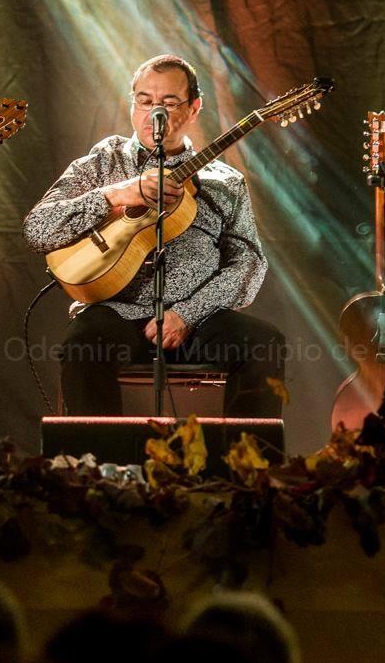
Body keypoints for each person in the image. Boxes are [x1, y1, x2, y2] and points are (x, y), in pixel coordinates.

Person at [23, 54, 284, 416]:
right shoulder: (104, 161)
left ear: (194, 108)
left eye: (168, 103)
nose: (153, 114)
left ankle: (245, 469)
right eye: (145, 101)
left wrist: (189, 313)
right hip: (116, 312)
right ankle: (98, 469)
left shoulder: (224, 181)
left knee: (264, 344)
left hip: (197, 320)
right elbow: (38, 229)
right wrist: (116, 194)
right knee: (83, 344)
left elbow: (249, 262)